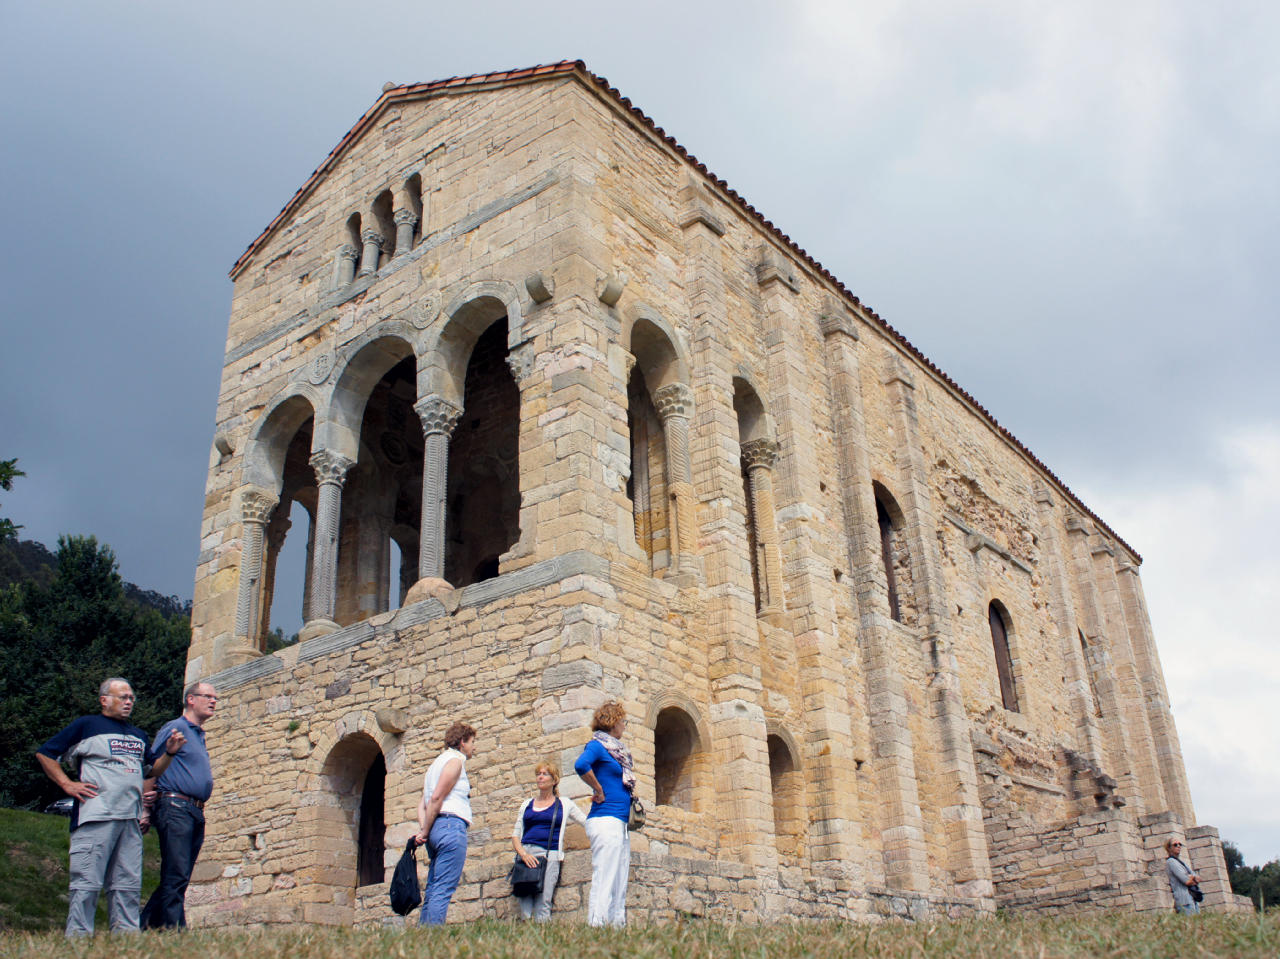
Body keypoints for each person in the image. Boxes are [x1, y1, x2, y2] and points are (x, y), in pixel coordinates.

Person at [36, 677, 185, 937]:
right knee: (87, 883)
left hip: (129, 819)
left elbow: (151, 770)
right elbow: (46, 753)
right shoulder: (86, 725)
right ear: (104, 700)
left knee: (127, 885)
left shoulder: (137, 734)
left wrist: (169, 754)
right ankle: (78, 940)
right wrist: (67, 785)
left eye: (131, 698)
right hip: (96, 815)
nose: (128, 702)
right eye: (122, 697)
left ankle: (126, 940)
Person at [140, 682, 218, 930]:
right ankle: (175, 930)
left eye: (215, 697)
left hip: (194, 810)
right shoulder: (176, 728)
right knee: (176, 873)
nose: (213, 701)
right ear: (191, 699)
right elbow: (152, 766)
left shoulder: (197, 734)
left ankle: (143, 927)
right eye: (207, 696)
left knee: (179, 875)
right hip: (174, 806)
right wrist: (144, 807)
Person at [573, 701, 634, 927]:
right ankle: (597, 924)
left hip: (619, 821)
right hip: (605, 818)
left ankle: (616, 925)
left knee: (619, 875)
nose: (624, 727)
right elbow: (581, 765)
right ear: (613, 722)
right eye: (623, 722)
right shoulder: (597, 745)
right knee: (605, 873)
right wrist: (598, 789)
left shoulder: (615, 750)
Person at [414, 721, 477, 926]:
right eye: (472, 742)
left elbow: (421, 804)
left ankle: (423, 936)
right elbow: (436, 798)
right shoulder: (454, 762)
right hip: (450, 826)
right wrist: (425, 830)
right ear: (462, 742)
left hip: (436, 829)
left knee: (433, 886)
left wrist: (426, 831)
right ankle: (433, 938)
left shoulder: (435, 765)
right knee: (443, 887)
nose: (474, 747)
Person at [510, 761, 588, 921]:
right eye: (538, 774)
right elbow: (516, 835)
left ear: (554, 780)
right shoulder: (526, 805)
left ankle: (543, 935)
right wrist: (523, 855)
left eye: (545, 774)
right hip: (526, 855)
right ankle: (525, 939)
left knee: (544, 901)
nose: (540, 777)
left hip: (549, 856)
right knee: (524, 902)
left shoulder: (564, 804)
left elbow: (585, 822)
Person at [1166, 837, 1202, 914]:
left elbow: (1198, 878)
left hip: (1192, 899)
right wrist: (1192, 878)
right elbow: (1187, 881)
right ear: (1169, 848)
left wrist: (1192, 877)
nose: (1178, 846)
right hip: (1184, 902)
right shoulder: (1171, 862)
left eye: (1180, 844)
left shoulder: (1181, 862)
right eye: (1175, 844)